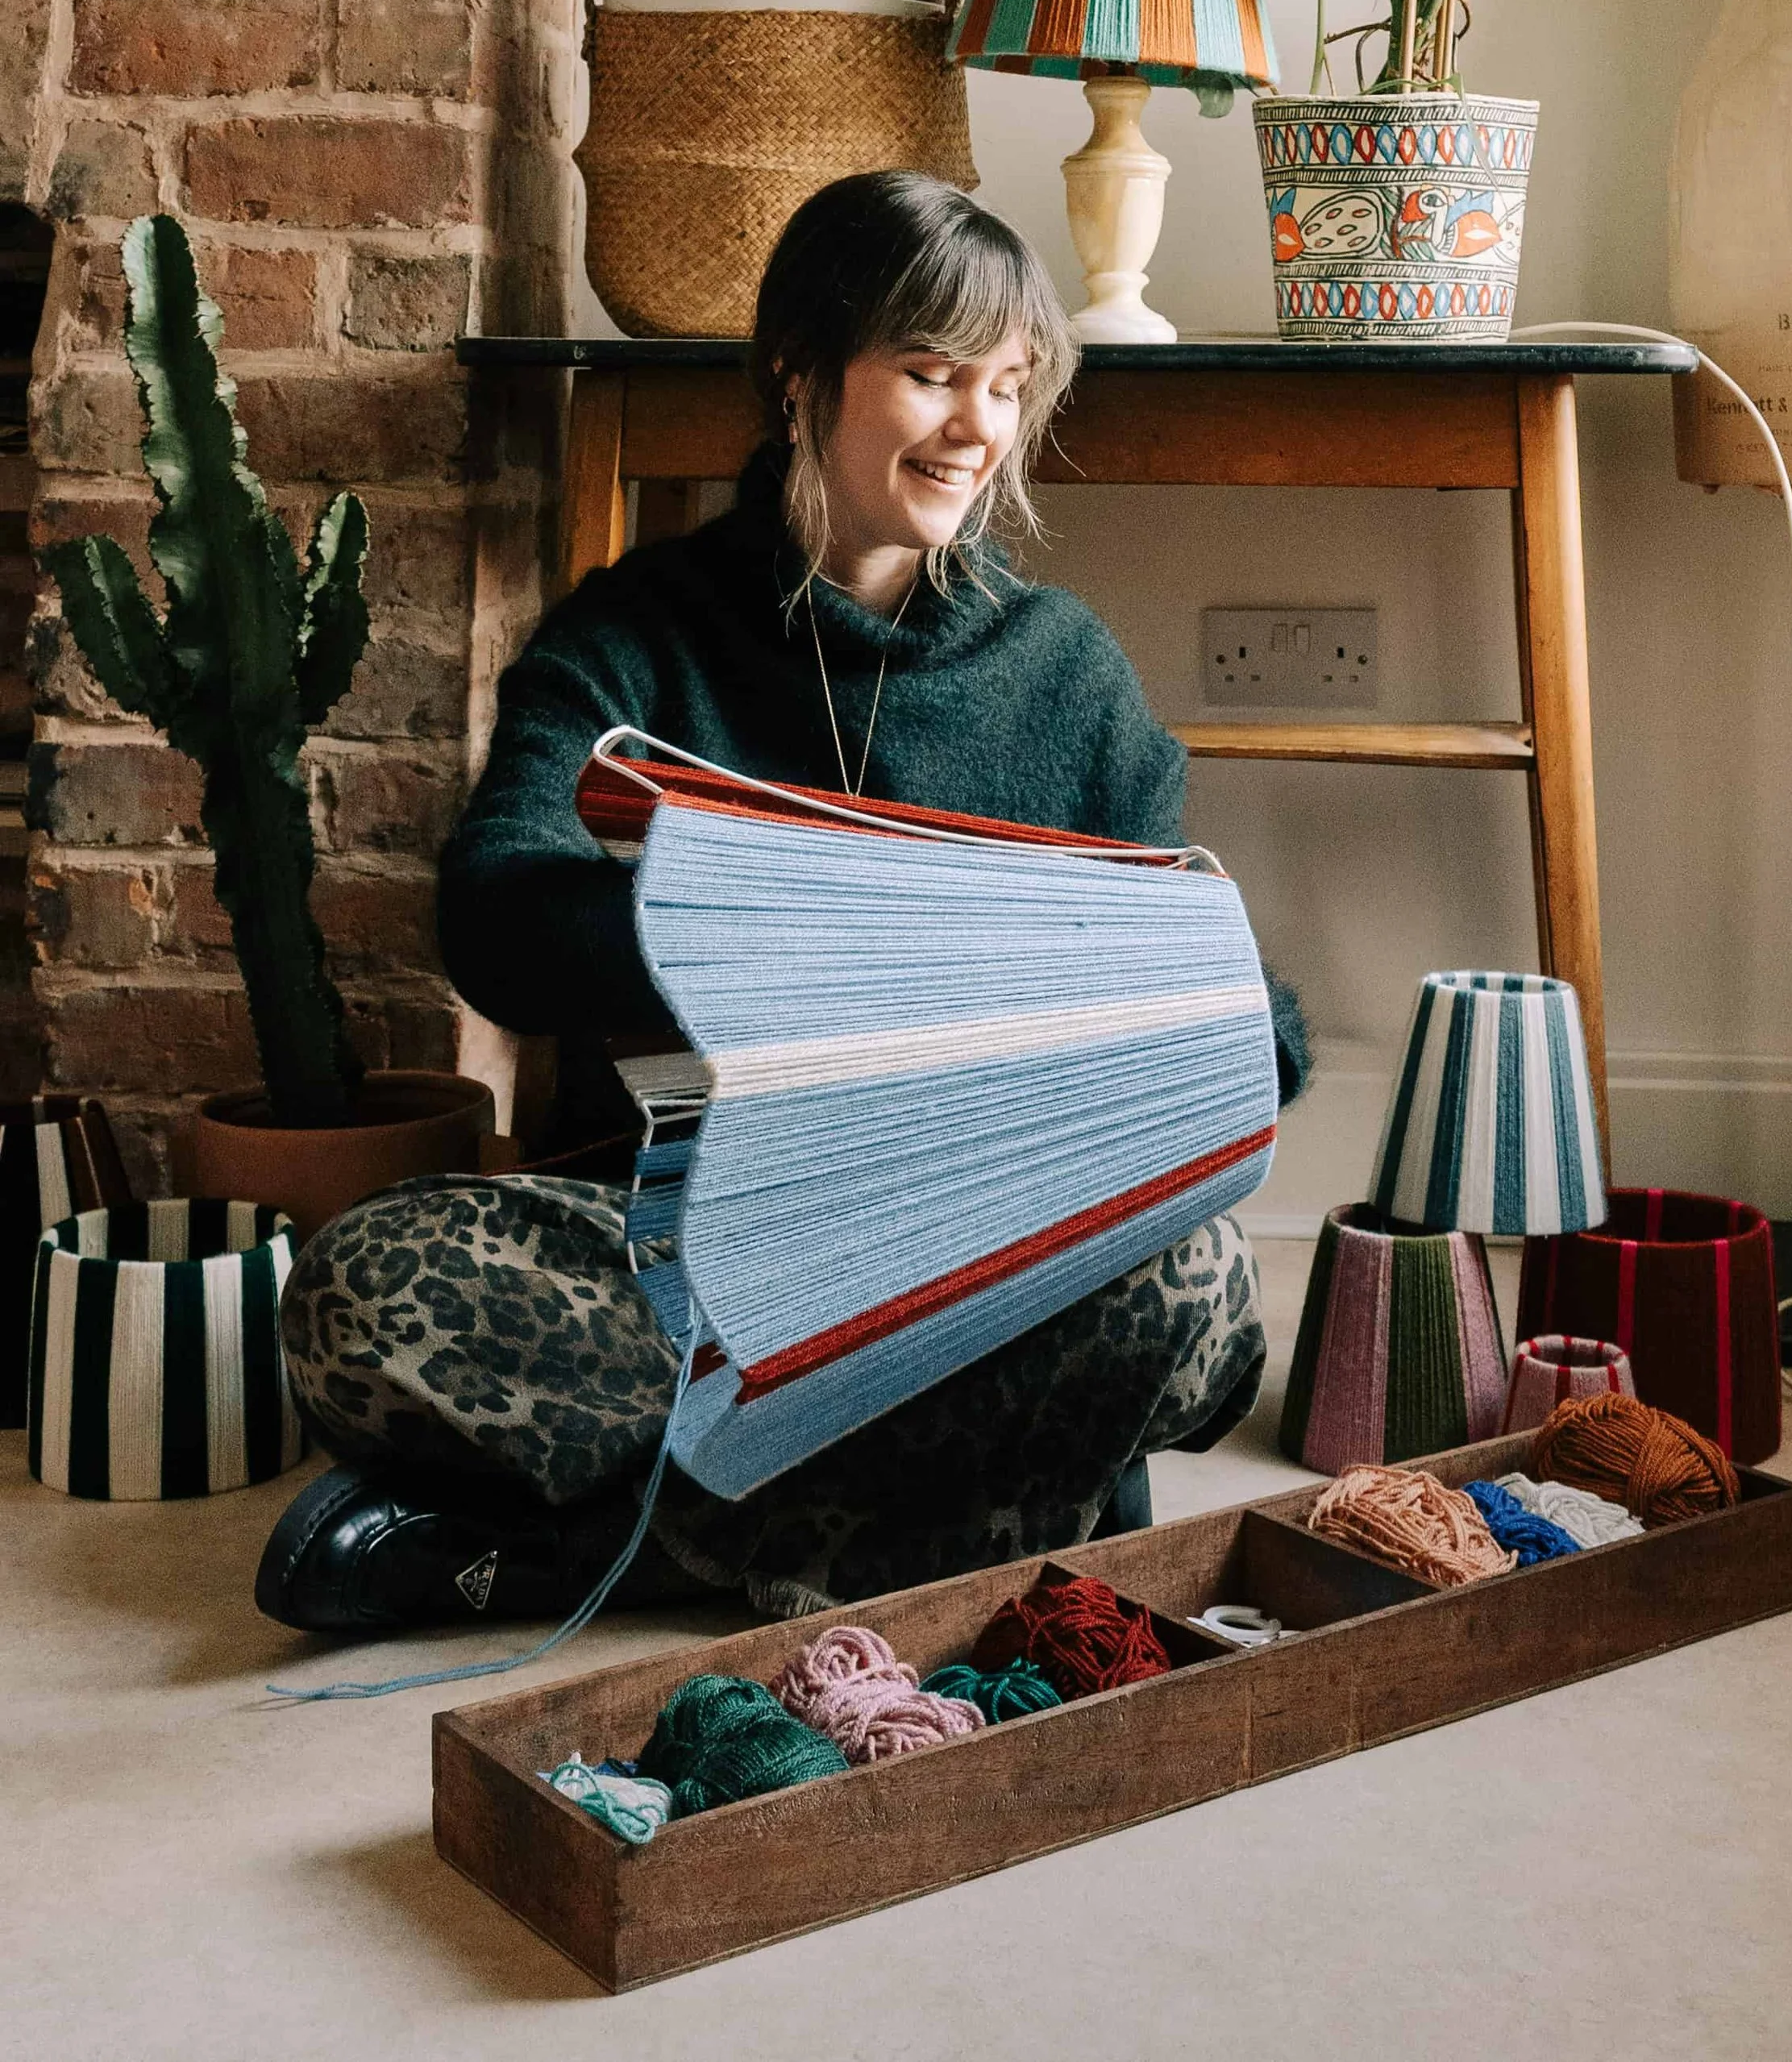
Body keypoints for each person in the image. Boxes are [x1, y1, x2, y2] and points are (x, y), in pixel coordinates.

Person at [258, 173, 1307, 1636]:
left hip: (976, 1253)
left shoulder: (1068, 676)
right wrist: (750, 937)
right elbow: (493, 914)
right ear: (800, 375)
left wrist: (1222, 1036)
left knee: (1197, 1292)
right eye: (932, 375)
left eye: (1005, 388)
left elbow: (1237, 1015)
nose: (975, 429)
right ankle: (984, 1518)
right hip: (688, 1248)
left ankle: (606, 1551)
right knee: (359, 1293)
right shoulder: (637, 634)